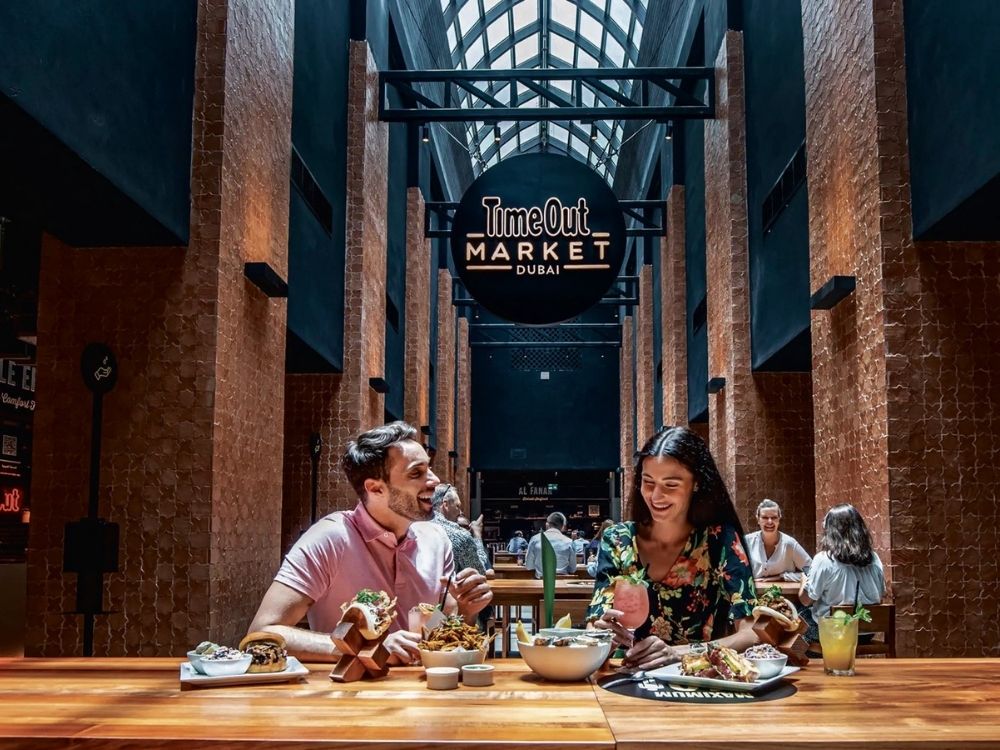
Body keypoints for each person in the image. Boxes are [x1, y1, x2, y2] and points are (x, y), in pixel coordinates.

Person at [248, 421, 493, 664]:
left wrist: (466, 610)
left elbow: (440, 632)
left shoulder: (437, 539)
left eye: (428, 469)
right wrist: (366, 647)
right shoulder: (329, 538)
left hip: (422, 686)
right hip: (349, 688)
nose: (435, 480)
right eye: (416, 473)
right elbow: (262, 634)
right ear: (375, 488)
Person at [587, 426, 758, 671]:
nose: (655, 496)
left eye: (670, 485)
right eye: (648, 482)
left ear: (696, 484)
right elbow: (596, 623)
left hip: (696, 679)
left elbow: (751, 633)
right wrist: (600, 638)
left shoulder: (718, 539)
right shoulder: (618, 540)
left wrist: (677, 653)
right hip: (625, 679)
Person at [798, 504, 885, 643]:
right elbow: (880, 598)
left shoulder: (824, 559)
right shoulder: (874, 559)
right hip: (866, 634)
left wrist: (804, 580)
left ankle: (814, 655)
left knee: (796, 615)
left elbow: (806, 600)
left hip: (833, 633)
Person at [430, 483, 491, 576]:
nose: (460, 512)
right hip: (445, 585)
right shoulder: (459, 535)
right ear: (446, 504)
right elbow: (478, 572)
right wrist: (477, 535)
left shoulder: (414, 528)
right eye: (457, 506)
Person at [745, 498, 812, 581]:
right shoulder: (746, 542)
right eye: (765, 517)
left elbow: (812, 572)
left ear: (779, 519)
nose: (770, 521)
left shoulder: (789, 544)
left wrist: (782, 577)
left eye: (774, 517)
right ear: (758, 519)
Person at [523, 512, 577, 577]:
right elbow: (573, 569)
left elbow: (529, 566)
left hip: (542, 580)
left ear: (547, 524)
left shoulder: (535, 539)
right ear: (563, 526)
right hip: (562, 580)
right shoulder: (569, 542)